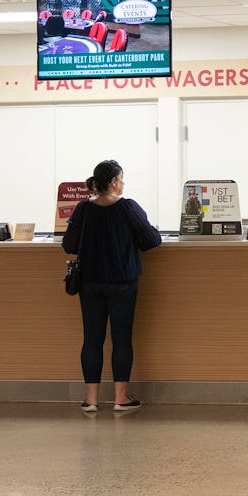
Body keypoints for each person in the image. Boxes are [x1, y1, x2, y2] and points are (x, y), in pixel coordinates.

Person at [62, 159, 162, 414]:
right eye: (122, 178)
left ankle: (91, 400)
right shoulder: (128, 208)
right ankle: (120, 398)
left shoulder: (83, 209)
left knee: (91, 340)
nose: (124, 183)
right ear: (114, 182)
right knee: (121, 339)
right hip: (123, 283)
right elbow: (152, 240)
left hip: (90, 284)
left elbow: (69, 245)